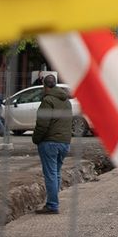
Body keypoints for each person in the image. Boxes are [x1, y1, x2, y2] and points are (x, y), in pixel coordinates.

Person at [32, 73, 74, 214]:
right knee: (56, 173)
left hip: (50, 142)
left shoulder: (48, 101)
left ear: (45, 86)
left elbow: (42, 124)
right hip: (64, 142)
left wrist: (36, 139)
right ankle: (53, 202)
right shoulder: (66, 102)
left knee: (50, 174)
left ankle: (52, 205)